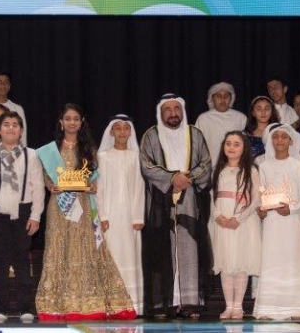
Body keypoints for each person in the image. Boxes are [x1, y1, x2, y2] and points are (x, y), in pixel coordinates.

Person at [36, 104, 135, 321]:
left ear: (81, 122)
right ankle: (56, 305)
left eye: (76, 119)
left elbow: (94, 179)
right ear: (61, 122)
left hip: (83, 204)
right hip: (59, 206)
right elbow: (46, 176)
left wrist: (92, 187)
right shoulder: (50, 150)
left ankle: (90, 303)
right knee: (59, 248)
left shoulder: (89, 148)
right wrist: (50, 186)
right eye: (68, 118)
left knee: (86, 249)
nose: (72, 122)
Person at [138, 94, 213, 319]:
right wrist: (172, 178)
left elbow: (206, 164)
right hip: (160, 201)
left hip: (189, 199)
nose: (173, 113)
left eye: (176, 108)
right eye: (168, 109)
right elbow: (146, 165)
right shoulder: (151, 135)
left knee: (190, 249)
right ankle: (163, 303)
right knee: (162, 250)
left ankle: (190, 303)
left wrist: (186, 179)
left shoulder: (195, 134)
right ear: (161, 113)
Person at [0, 111, 44, 323]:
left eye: (15, 124)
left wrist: (36, 216)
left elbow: (38, 187)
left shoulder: (31, 155)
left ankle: (25, 307)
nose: (11, 128)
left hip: (24, 211)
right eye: (6, 124)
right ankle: (0, 307)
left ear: (21, 131)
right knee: (0, 260)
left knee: (22, 259)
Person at [254, 123, 300, 320]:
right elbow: (260, 194)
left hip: (293, 221)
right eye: (276, 136)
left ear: (291, 141)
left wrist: (293, 209)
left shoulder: (298, 165)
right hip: (272, 222)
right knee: (271, 261)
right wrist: (260, 210)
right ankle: (268, 309)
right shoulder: (264, 166)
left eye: (283, 137)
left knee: (293, 261)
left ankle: (295, 309)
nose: (279, 140)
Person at [95, 115, 145, 316]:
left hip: (130, 218)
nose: (122, 132)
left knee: (130, 255)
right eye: (118, 128)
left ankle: (132, 304)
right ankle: (111, 304)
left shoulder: (136, 157)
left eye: (126, 128)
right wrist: (102, 216)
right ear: (111, 132)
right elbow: (98, 189)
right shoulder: (103, 157)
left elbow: (140, 187)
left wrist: (138, 217)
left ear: (130, 132)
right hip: (110, 217)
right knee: (111, 256)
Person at [210, 131, 260, 320]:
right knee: (226, 262)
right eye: (228, 143)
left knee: (240, 263)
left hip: (243, 223)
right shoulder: (219, 170)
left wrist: (239, 218)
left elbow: (256, 199)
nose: (231, 147)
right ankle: (228, 306)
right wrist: (217, 215)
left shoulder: (251, 170)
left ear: (244, 148)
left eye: (236, 144)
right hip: (222, 221)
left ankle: (238, 306)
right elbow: (211, 196)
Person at [194, 82, 245, 168]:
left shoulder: (240, 118)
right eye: (218, 96)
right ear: (212, 98)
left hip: (235, 167)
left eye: (226, 96)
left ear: (231, 98)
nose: (223, 99)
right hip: (209, 168)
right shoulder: (203, 119)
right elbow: (196, 146)